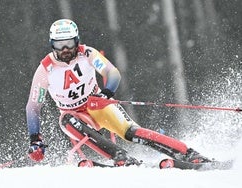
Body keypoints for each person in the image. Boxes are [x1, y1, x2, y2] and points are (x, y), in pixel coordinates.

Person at [26, 19, 210, 167]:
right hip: (74, 115)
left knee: (131, 132)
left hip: (96, 105)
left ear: (77, 41)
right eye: (60, 45)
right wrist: (35, 139)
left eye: (69, 43)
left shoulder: (87, 53)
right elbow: (33, 106)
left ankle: (188, 153)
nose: (65, 50)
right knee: (67, 121)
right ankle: (119, 156)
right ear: (52, 45)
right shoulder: (45, 70)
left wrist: (106, 93)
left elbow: (112, 73)